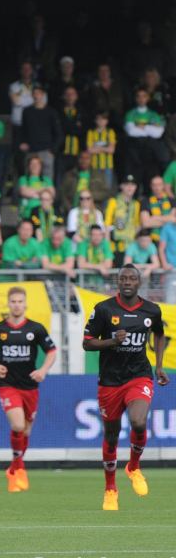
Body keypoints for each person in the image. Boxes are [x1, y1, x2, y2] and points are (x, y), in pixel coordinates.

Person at [83, 265, 169, 511]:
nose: (127, 282)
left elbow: (159, 335)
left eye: (132, 278)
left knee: (139, 421)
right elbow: (87, 343)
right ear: (117, 282)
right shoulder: (103, 309)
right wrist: (112, 341)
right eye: (123, 278)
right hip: (110, 381)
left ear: (139, 282)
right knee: (111, 435)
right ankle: (110, 488)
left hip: (139, 376)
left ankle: (133, 466)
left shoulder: (151, 310)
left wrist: (159, 366)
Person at [0, 287, 57, 492]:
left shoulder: (36, 329)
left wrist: (43, 369)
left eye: (20, 301)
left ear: (25, 304)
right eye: (13, 301)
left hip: (30, 385)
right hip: (7, 384)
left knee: (26, 431)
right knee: (17, 425)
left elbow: (52, 351)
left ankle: (13, 469)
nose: (16, 305)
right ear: (8, 303)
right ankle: (20, 468)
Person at [104, 176, 141, 266]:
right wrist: (107, 246)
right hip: (115, 246)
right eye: (127, 185)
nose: (130, 187)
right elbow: (107, 225)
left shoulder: (136, 204)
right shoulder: (113, 201)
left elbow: (137, 225)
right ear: (121, 186)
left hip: (130, 246)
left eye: (132, 185)